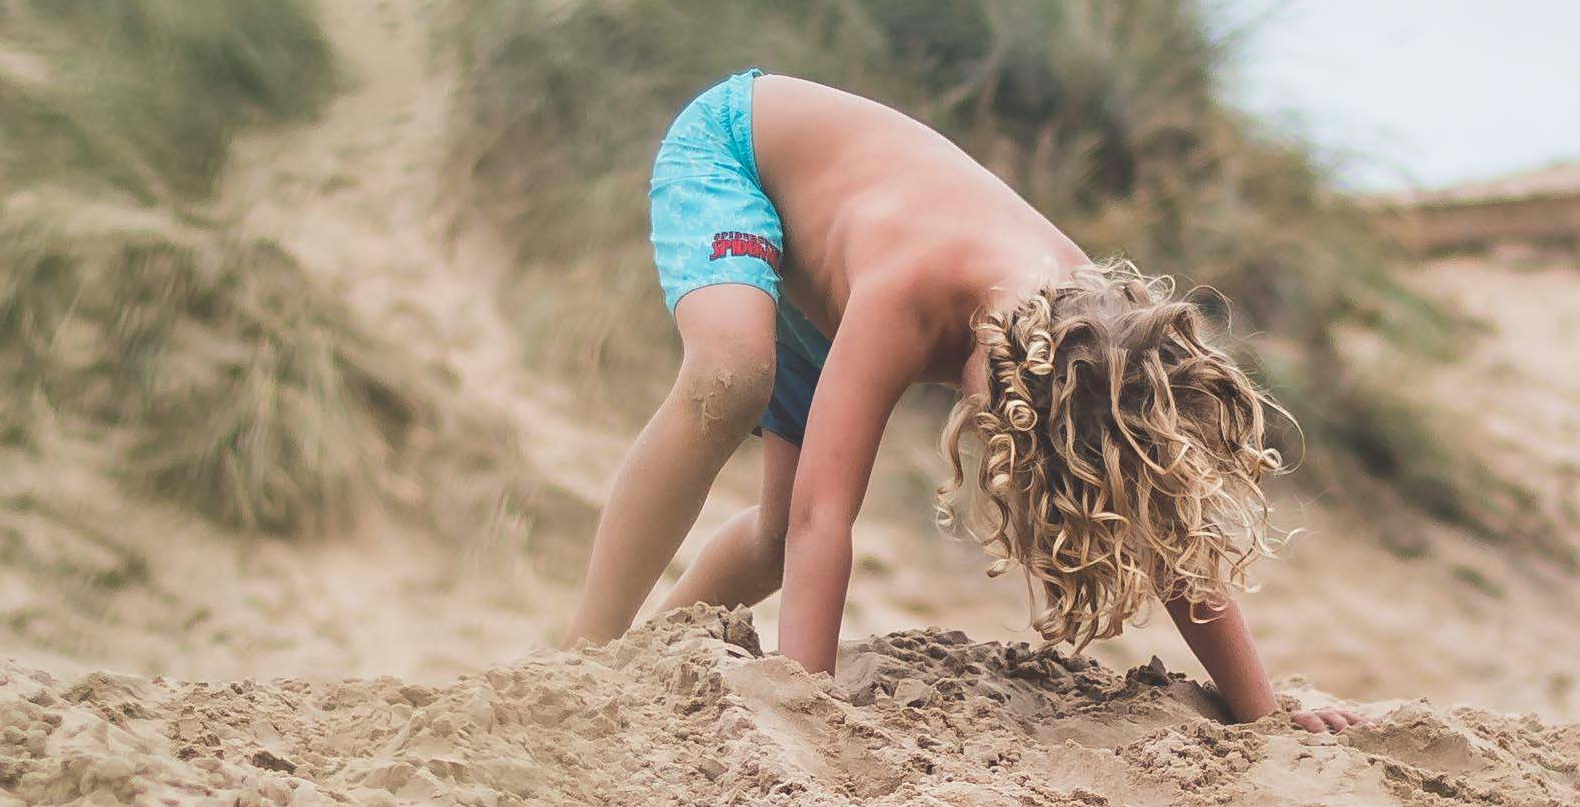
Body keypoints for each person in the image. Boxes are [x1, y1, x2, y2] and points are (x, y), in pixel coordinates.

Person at [567, 70, 1354, 726]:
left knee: (771, 543)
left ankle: (641, 666)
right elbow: (825, 514)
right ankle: (582, 658)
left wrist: (1262, 713)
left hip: (827, 281)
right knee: (731, 379)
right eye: (1003, 430)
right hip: (738, 156)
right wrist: (801, 703)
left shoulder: (1100, 331)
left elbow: (1156, 510)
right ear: (998, 364)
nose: (990, 439)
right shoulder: (913, 289)